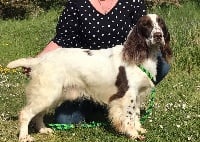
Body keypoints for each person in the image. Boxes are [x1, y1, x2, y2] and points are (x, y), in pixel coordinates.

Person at [27, 0, 170, 124]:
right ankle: (96, 103)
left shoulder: (132, 2)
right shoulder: (76, 4)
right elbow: (62, 38)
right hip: (87, 72)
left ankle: (125, 104)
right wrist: (38, 61)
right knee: (66, 120)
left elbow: (144, 31)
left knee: (162, 65)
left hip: (121, 68)